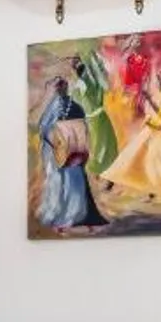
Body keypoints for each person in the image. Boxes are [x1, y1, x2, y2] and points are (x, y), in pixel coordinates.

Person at [100, 67, 161, 203]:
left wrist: (149, 100)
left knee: (152, 164)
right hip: (151, 129)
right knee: (131, 156)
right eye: (159, 79)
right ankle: (111, 181)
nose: (160, 81)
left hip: (158, 132)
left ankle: (151, 192)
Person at [36, 77, 109, 232]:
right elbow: (84, 131)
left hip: (60, 154)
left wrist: (54, 143)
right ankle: (81, 217)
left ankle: (64, 218)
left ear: (56, 90)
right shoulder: (76, 106)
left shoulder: (53, 108)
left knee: (60, 184)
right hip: (76, 153)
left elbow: (44, 130)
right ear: (66, 88)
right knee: (76, 183)